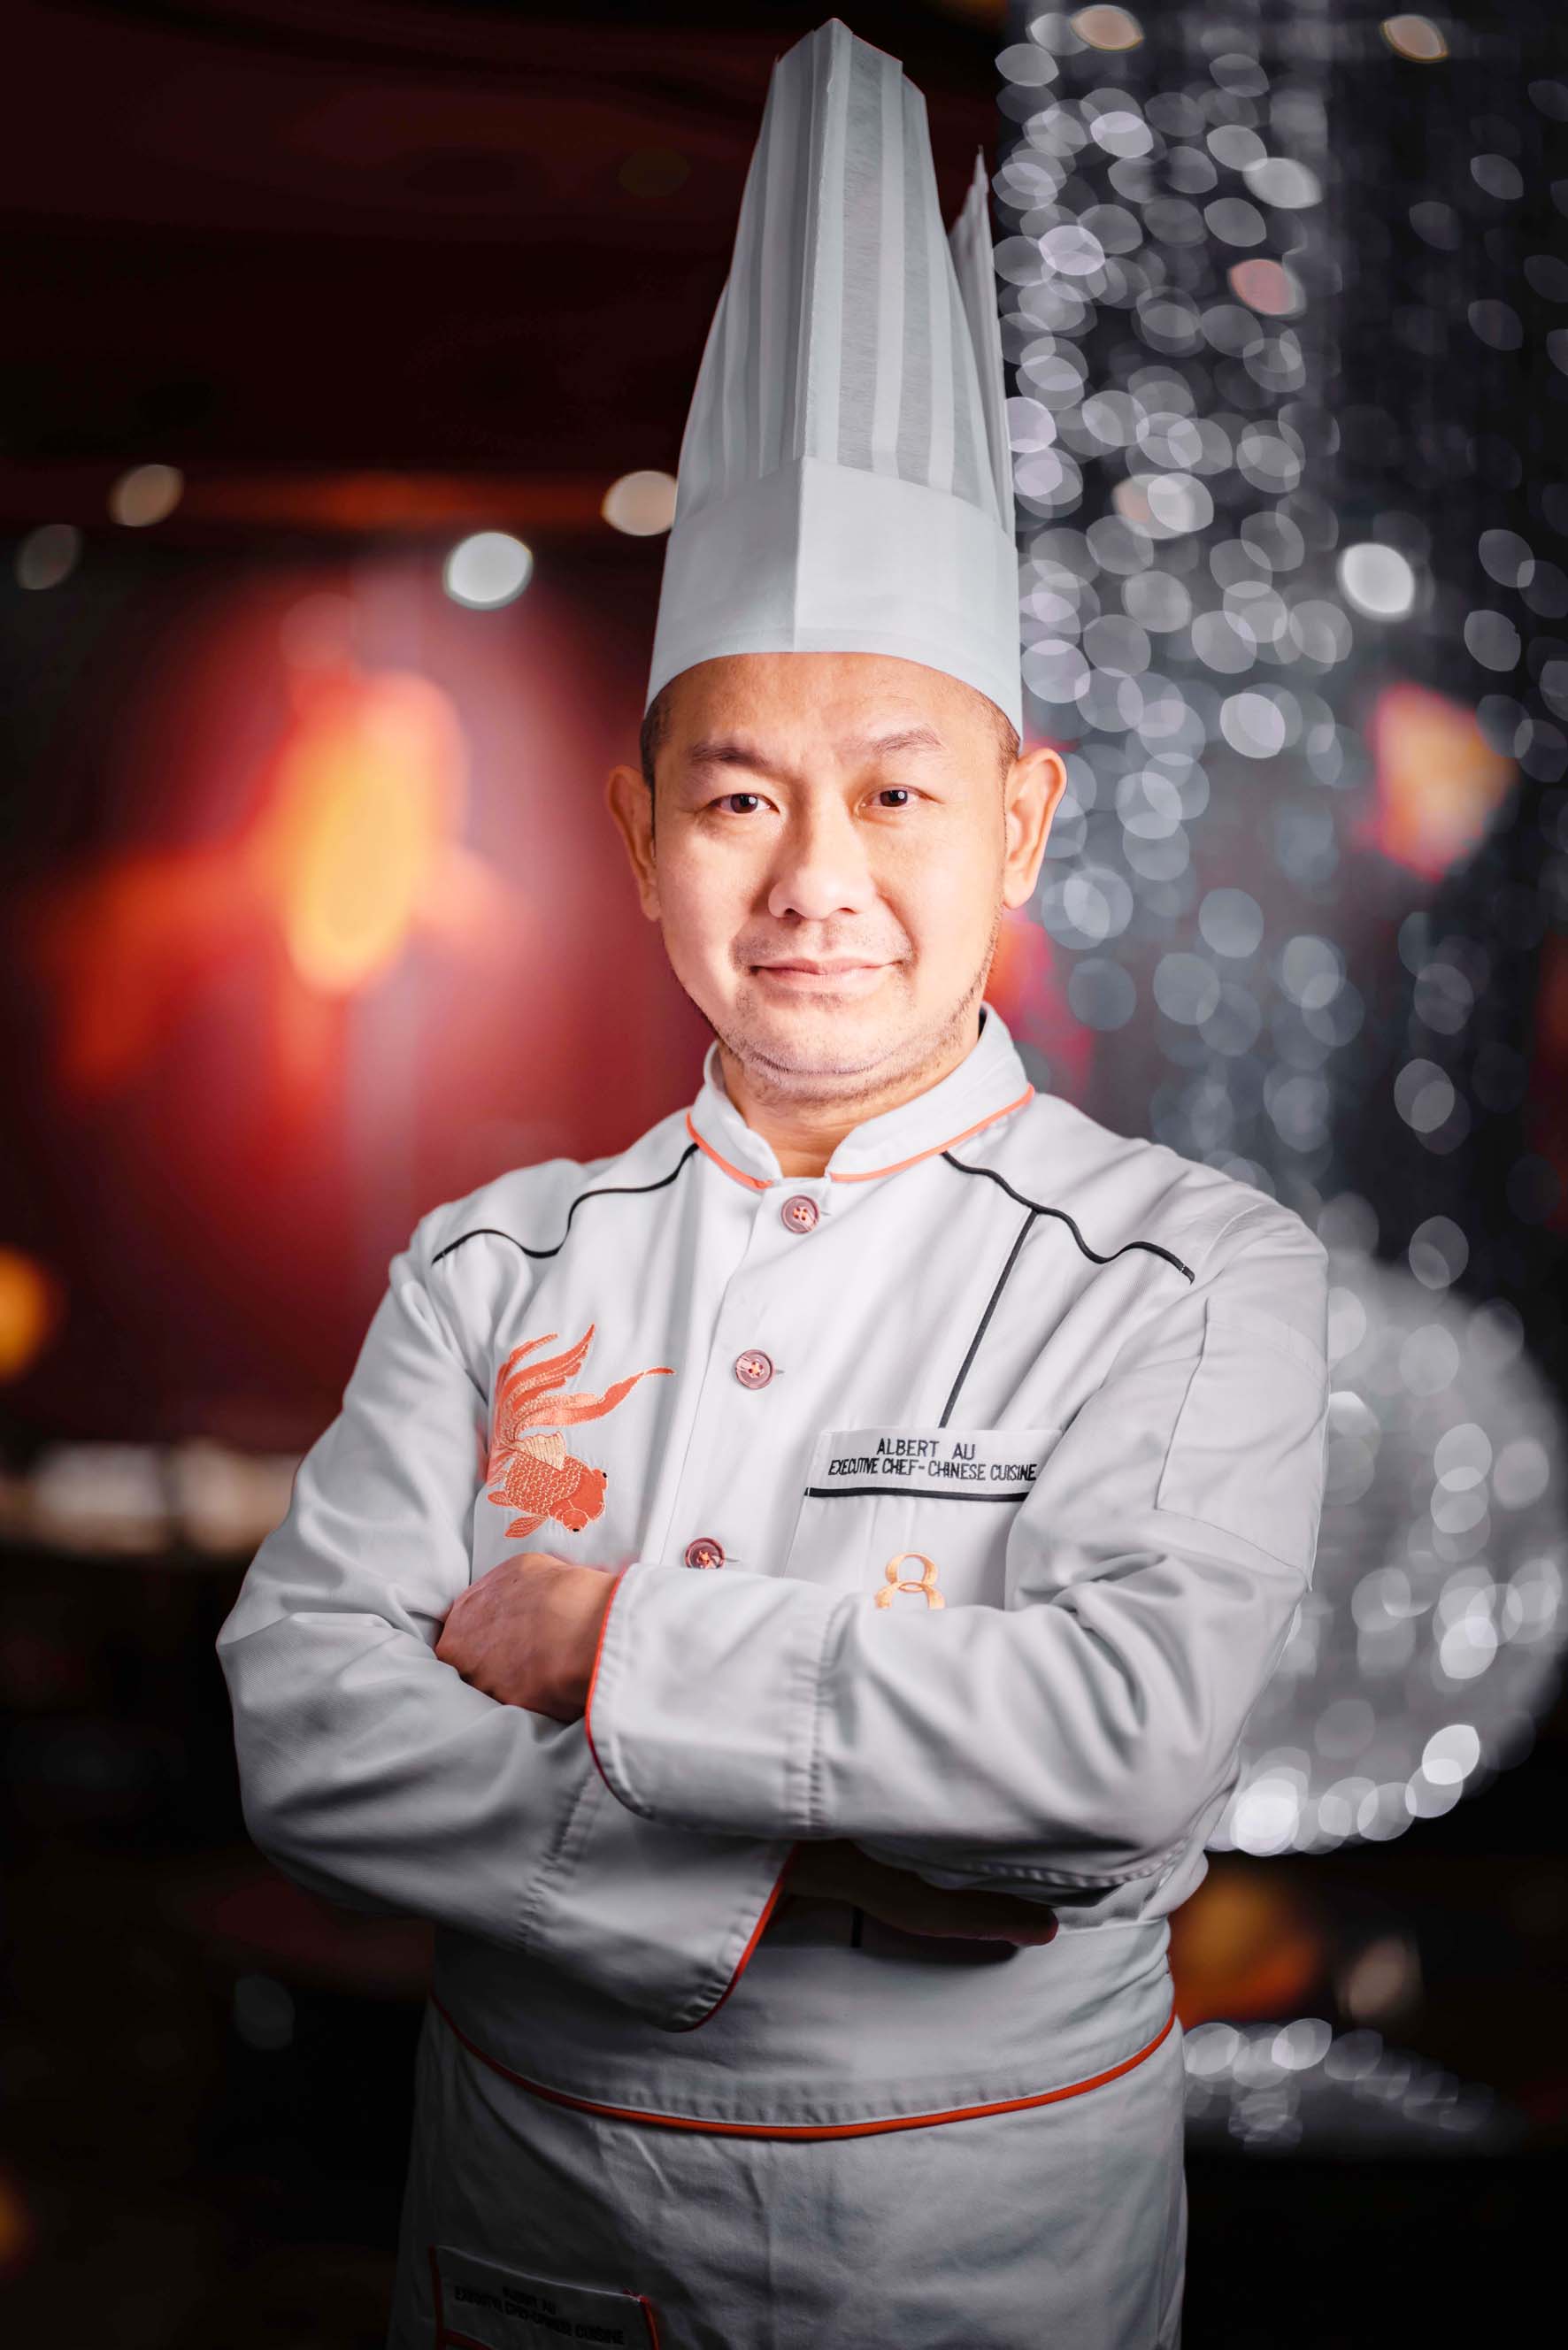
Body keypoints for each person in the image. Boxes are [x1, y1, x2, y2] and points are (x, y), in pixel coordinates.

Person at [217, 22, 1330, 2348]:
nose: (815, 878)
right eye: (737, 799)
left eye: (897, 795)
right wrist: (804, 1866)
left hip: (978, 2246)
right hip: (525, 2211)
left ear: (1018, 824)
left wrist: (597, 1641)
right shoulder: (493, 1264)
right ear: (641, 840)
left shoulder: (1184, 1272)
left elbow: (1123, 1737)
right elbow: (308, 1729)